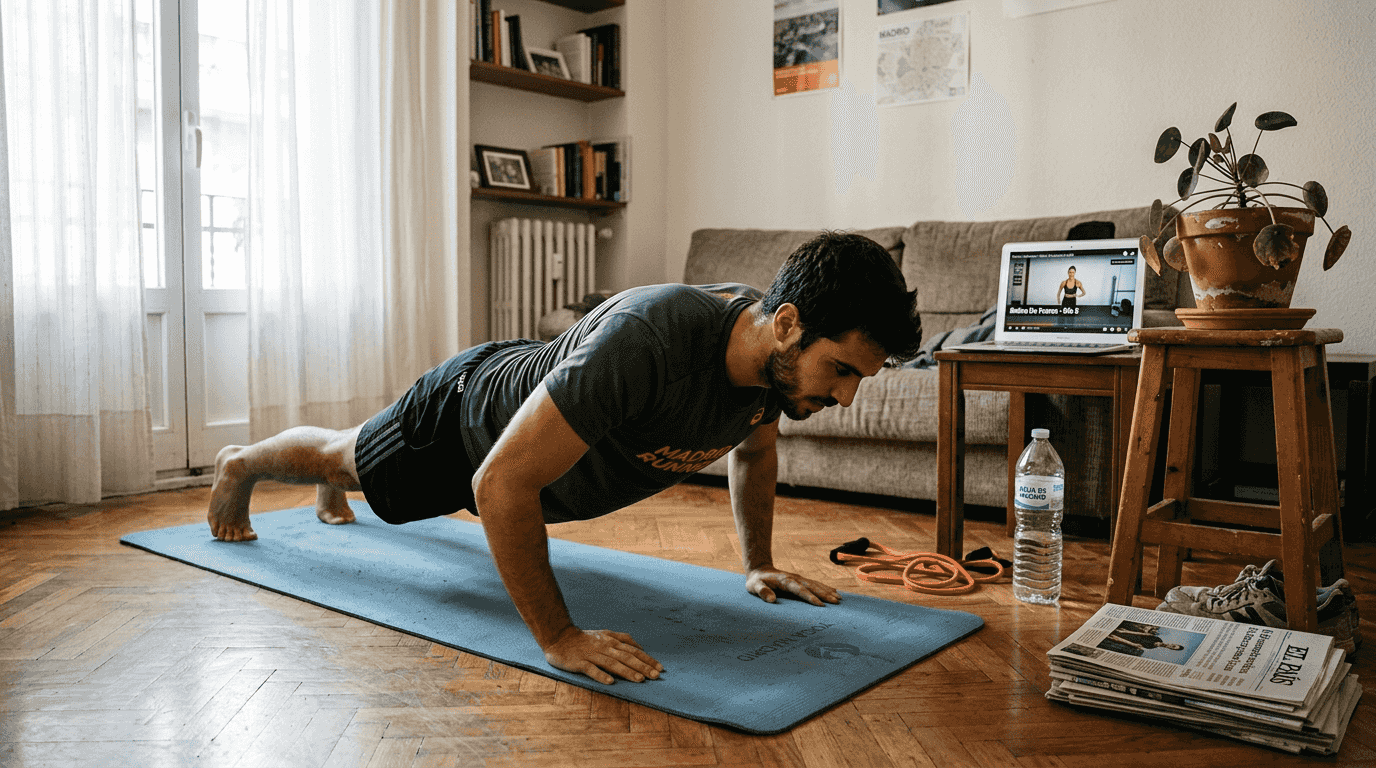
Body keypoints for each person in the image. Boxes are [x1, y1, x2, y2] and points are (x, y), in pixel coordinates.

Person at [206, 231, 923, 686]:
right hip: (464, 424)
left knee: (351, 464)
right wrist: (559, 637)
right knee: (344, 461)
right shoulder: (651, 339)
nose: (848, 397)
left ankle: (334, 479)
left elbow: (755, 454)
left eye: (861, 376)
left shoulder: (771, 373)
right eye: (842, 371)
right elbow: (499, 482)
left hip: (515, 438)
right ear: (789, 325)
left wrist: (758, 563)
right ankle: (241, 463)